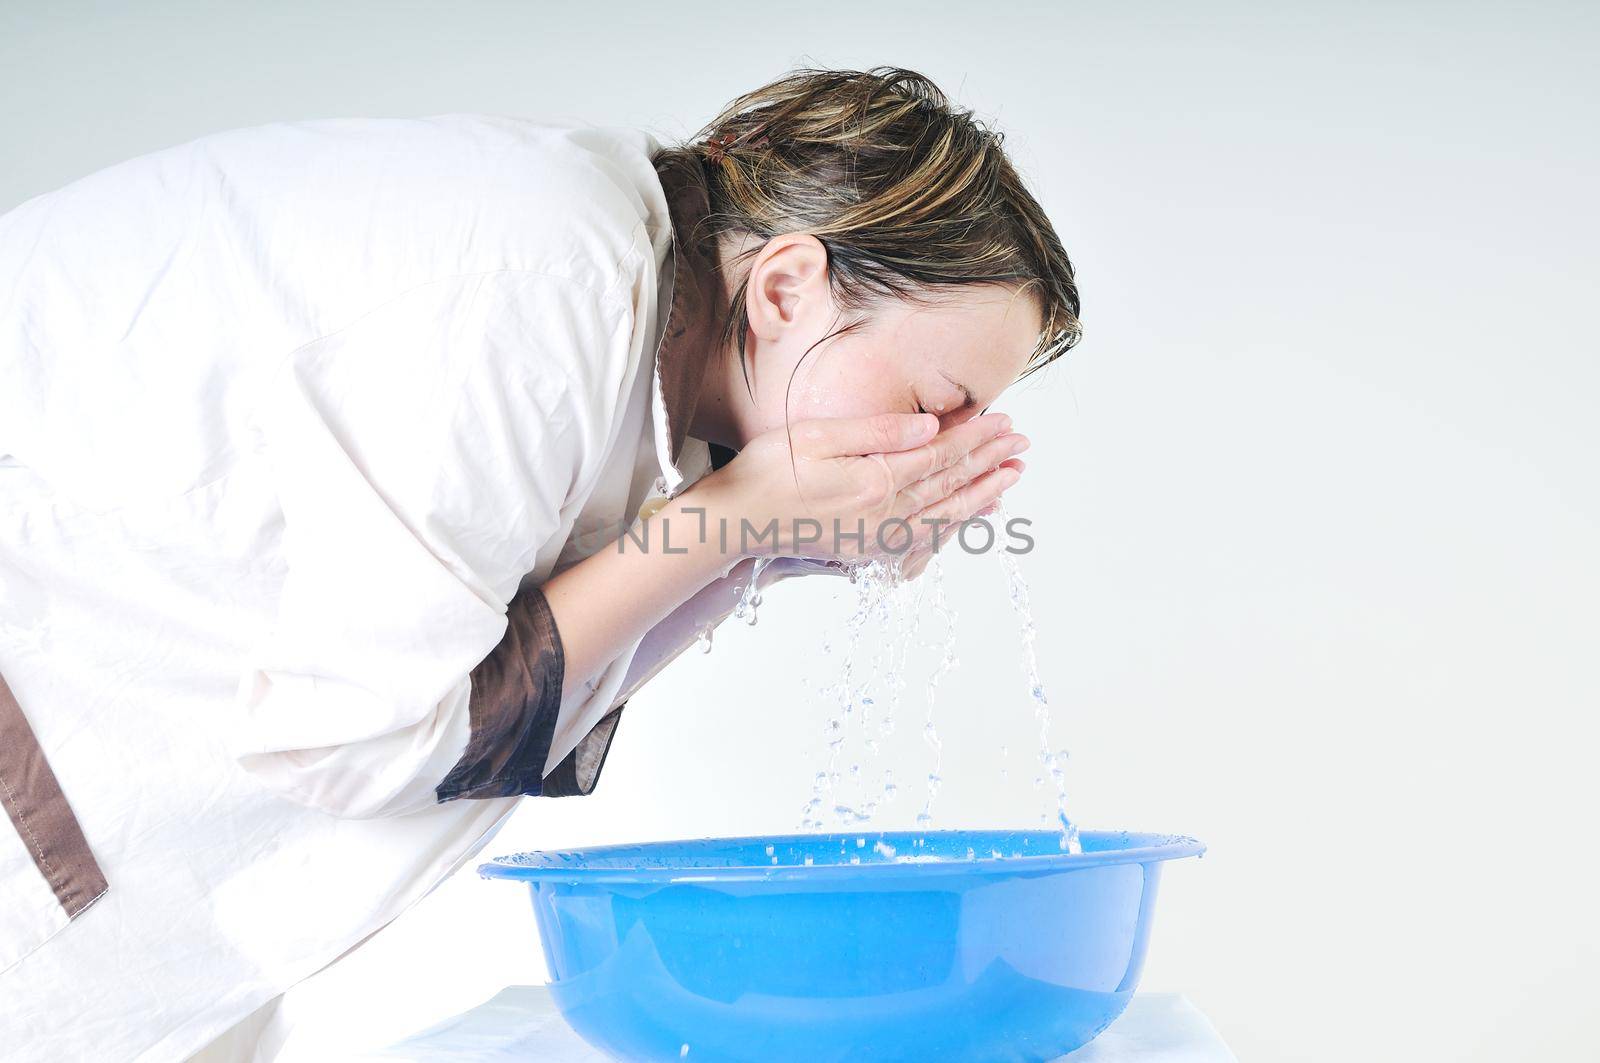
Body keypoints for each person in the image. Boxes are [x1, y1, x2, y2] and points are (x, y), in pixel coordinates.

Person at [0, 65, 1080, 1060]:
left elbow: (528, 694)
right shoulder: (547, 287)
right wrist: (739, 515)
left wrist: (762, 541)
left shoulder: (646, 343)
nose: (944, 446)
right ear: (788, 290)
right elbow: (375, 742)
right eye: (936, 404)